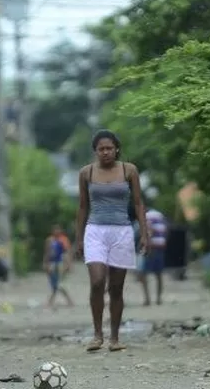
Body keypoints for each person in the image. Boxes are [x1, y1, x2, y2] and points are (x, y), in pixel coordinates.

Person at [75, 129, 149, 353]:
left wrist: (145, 233)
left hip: (122, 231)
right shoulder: (86, 173)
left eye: (109, 148)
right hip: (95, 230)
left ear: (117, 149)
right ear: (95, 151)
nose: (105, 152)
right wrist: (78, 238)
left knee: (116, 288)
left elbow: (138, 203)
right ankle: (97, 334)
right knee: (97, 282)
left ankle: (114, 338)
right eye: (101, 149)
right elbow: (82, 207)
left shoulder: (129, 170)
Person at [140, 207, 168, 306]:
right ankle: (158, 298)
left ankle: (147, 299)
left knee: (142, 273)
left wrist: (147, 245)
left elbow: (149, 230)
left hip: (151, 246)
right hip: (160, 245)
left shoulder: (147, 216)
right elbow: (166, 230)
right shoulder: (160, 215)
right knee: (158, 274)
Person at [43, 224, 74, 308]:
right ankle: (67, 301)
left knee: (59, 283)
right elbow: (47, 252)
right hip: (52, 263)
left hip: (59, 263)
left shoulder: (63, 240)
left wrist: (68, 264)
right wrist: (45, 263)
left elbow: (67, 252)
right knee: (54, 283)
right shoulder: (49, 240)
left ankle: (51, 302)